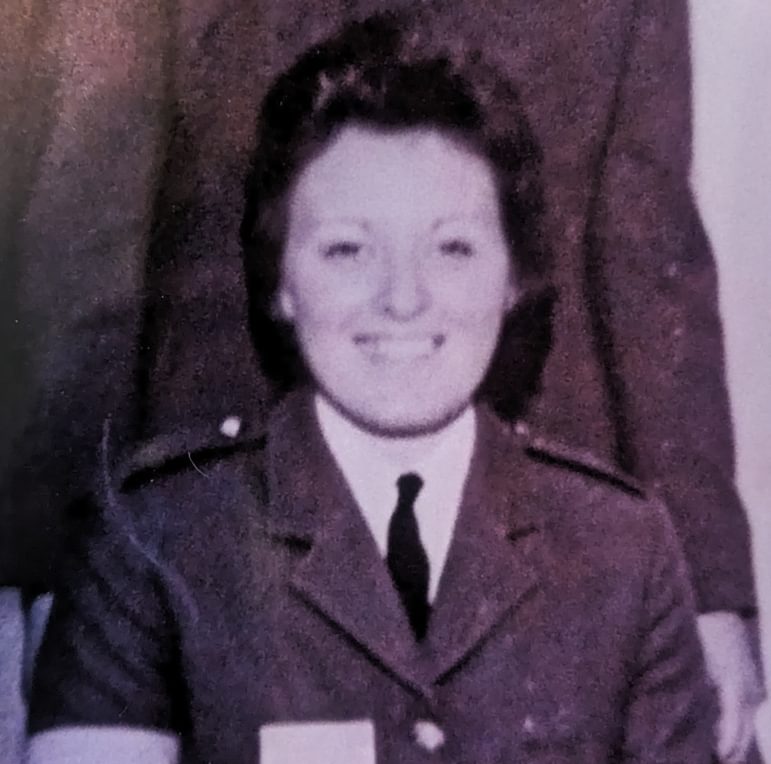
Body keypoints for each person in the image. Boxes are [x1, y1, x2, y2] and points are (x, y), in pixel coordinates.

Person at [26, 13, 715, 763]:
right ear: (279, 280)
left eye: (451, 247)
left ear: (514, 275)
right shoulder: (153, 545)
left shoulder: (624, 551)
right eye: (347, 249)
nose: (402, 299)